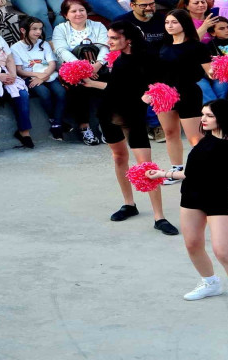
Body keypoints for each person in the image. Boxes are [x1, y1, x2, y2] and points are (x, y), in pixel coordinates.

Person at [146, 99, 228, 317]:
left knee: (222, 251)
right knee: (192, 244)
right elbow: (193, 173)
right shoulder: (204, 141)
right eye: (203, 114)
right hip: (192, 196)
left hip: (219, 199)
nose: (203, 119)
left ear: (223, 118)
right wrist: (163, 174)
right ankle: (210, 283)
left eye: (209, 116)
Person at [82, 21, 179, 236]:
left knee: (146, 166)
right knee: (119, 158)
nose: (109, 42)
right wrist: (90, 82)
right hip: (108, 113)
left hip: (132, 115)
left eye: (114, 38)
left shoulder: (149, 58)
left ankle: (159, 217)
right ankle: (129, 204)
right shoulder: (118, 60)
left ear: (129, 40)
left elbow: (164, 83)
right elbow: (115, 88)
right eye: (109, 37)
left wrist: (148, 96)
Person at [143, 9, 212, 185]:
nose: (170, 26)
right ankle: (176, 169)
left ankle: (208, 169)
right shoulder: (163, 45)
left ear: (184, 24)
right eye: (167, 23)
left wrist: (224, 69)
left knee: (195, 137)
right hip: (164, 94)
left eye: (174, 22)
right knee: (170, 132)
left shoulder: (198, 46)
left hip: (188, 93)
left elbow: (210, 73)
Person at [53, 0, 110, 146]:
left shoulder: (97, 26)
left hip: (98, 67)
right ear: (66, 15)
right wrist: (83, 69)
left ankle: (105, 124)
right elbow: (61, 51)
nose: (78, 14)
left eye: (81, 10)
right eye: (73, 11)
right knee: (77, 87)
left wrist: (96, 66)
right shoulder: (60, 29)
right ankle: (84, 127)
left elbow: (105, 47)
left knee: (109, 85)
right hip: (73, 70)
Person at [115, 0, 168, 143]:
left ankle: (155, 125)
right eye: (144, 5)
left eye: (152, 4)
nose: (149, 8)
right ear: (132, 5)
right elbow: (115, 45)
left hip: (159, 62)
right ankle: (148, 124)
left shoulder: (162, 20)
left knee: (157, 82)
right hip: (132, 63)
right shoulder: (122, 22)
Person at [11, 16, 66, 142]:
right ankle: (56, 121)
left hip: (48, 75)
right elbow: (19, 70)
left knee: (61, 92)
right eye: (34, 29)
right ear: (23, 30)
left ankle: (56, 124)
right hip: (29, 77)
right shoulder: (15, 48)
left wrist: (44, 76)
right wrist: (38, 76)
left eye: (40, 29)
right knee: (44, 93)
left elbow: (52, 63)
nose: (38, 32)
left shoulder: (44, 44)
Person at [0, 11, 32, 154]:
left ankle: (24, 132)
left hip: (3, 72)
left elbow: (9, 59)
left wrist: (12, 74)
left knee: (22, 94)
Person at [177, 0, 220, 104]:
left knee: (221, 95)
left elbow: (226, 38)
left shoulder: (214, 19)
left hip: (215, 65)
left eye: (203, 2)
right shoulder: (182, 23)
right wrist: (204, 26)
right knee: (210, 99)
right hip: (194, 68)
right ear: (187, 6)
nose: (201, 5)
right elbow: (188, 44)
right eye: (196, 3)